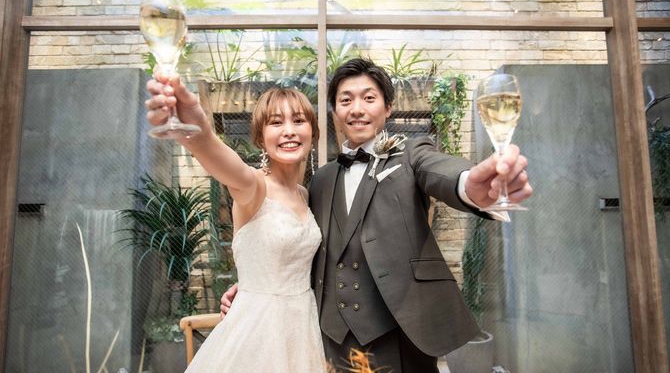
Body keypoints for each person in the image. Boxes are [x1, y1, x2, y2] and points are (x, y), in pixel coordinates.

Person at [221, 57, 533, 372]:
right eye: (346, 100)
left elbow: (440, 170)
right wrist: (253, 288)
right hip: (334, 340)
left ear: (388, 108)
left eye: (369, 98)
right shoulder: (321, 180)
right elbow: (300, 246)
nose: (357, 109)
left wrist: (468, 185)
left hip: (403, 335)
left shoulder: (411, 155)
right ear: (335, 112)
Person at [146, 73, 327, 372]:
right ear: (260, 136)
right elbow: (224, 162)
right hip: (258, 332)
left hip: (301, 329)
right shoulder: (253, 186)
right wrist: (199, 133)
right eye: (276, 122)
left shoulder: (305, 194)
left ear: (313, 131)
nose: (289, 131)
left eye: (298, 120)